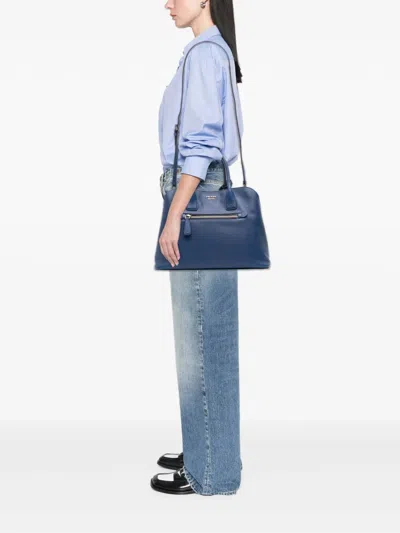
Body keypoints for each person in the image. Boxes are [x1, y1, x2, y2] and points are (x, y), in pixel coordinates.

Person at [150, 0, 244, 496]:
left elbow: (203, 144)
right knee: (205, 335)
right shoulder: (208, 51)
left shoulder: (206, 54)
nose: (168, 3)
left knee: (203, 339)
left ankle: (212, 473)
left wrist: (174, 214)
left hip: (195, 199)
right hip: (199, 195)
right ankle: (206, 448)